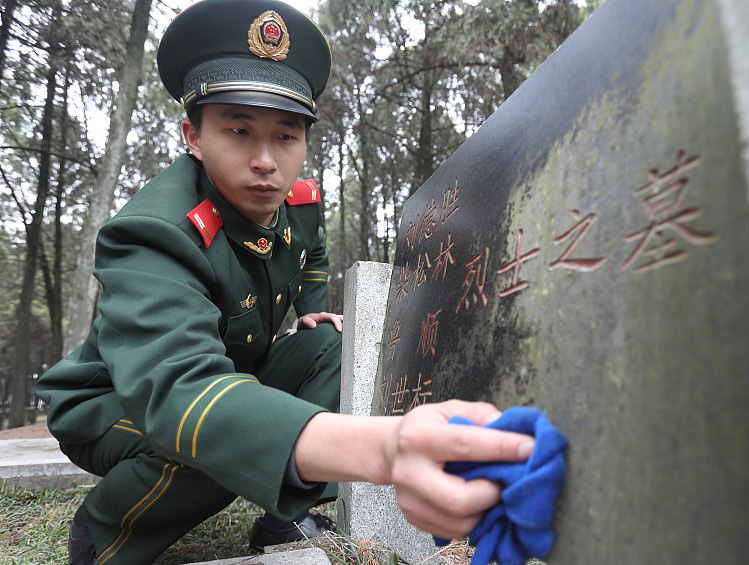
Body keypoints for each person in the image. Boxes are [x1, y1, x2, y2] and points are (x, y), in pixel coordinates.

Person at [35, 1, 536, 564]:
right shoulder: (155, 230)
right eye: (239, 130)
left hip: (234, 368)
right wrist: (388, 449)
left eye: (286, 135)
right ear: (193, 136)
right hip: (114, 399)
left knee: (335, 344)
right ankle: (104, 532)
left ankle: (282, 520)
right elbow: (178, 392)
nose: (266, 161)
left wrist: (312, 307)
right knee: (211, 440)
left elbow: (312, 252)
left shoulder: (296, 203)